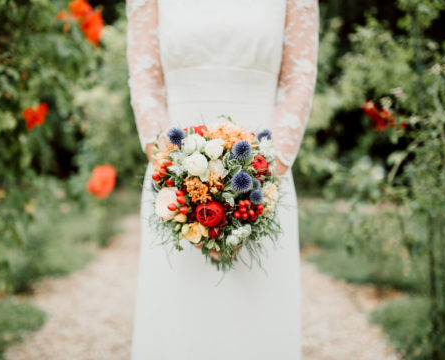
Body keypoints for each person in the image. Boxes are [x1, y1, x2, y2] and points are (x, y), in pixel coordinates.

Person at [127, 0, 318, 358]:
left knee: (256, 328)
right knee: (177, 325)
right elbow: (146, 82)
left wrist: (263, 181)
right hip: (174, 186)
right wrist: (177, 181)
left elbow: (298, 81)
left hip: (264, 186)